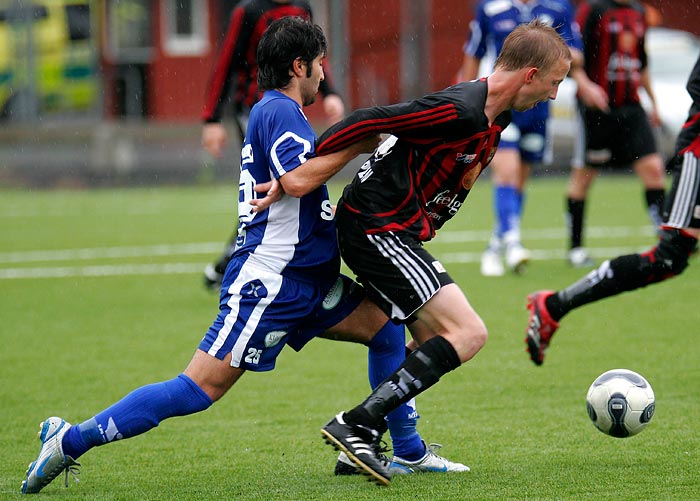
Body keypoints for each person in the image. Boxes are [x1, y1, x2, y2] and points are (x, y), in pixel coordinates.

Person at [19, 18, 465, 495]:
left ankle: (407, 450)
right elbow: (299, 178)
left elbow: (299, 183)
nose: (323, 73)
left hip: (311, 281)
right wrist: (361, 141)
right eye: (319, 64)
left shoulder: (278, 112)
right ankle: (70, 440)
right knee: (197, 389)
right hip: (271, 283)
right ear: (299, 67)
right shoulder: (279, 112)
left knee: (387, 330)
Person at [307, 20, 572, 485]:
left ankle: (397, 447)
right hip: (376, 228)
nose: (554, 95)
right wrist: (312, 161)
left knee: (419, 339)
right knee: (468, 332)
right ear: (530, 75)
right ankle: (356, 425)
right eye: (555, 83)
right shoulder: (460, 109)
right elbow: (374, 119)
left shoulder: (498, 114)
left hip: (394, 230)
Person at [524, 51, 700, 366]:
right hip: (695, 152)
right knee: (670, 257)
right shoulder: (598, 10)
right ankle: (555, 304)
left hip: (632, 113)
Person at [201, 0, 345, 291]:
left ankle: (235, 264)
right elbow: (225, 62)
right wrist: (212, 119)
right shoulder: (248, 11)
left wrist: (330, 91)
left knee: (281, 185)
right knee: (274, 184)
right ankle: (246, 263)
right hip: (255, 110)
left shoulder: (302, 8)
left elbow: (314, 55)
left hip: (288, 111)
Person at [460, 0, 608, 276]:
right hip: (501, 103)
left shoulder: (558, 8)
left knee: (520, 176)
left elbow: (576, 56)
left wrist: (546, 48)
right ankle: (514, 243)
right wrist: (464, 96)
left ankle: (495, 245)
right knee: (507, 169)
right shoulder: (491, 8)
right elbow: (473, 53)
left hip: (537, 106)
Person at [564, 0, 666, 268]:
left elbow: (641, 62)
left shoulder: (640, 13)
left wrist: (653, 102)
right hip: (596, 109)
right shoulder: (594, 9)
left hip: (632, 108)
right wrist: (585, 86)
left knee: (654, 169)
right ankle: (575, 248)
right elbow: (573, 56)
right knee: (584, 177)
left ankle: (665, 238)